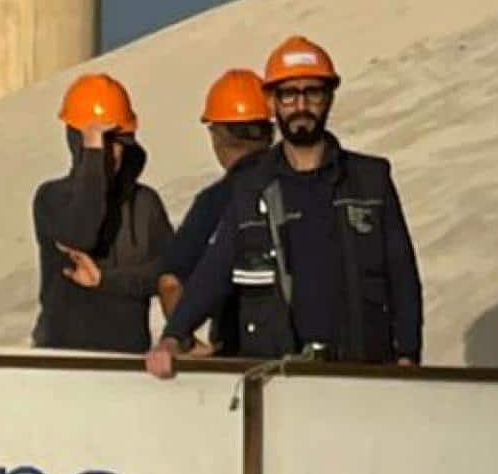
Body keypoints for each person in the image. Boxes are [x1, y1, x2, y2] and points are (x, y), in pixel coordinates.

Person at [147, 33, 422, 373]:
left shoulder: (370, 181)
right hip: (276, 380)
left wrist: (408, 355)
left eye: (313, 92)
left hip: (360, 373)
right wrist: (174, 337)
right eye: (289, 94)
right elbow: (214, 271)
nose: (301, 106)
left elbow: (402, 276)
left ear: (330, 97)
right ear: (272, 102)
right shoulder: (251, 187)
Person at [32, 73, 174, 353]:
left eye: (115, 142)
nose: (109, 153)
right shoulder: (51, 198)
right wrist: (93, 154)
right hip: (59, 366)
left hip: (126, 365)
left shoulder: (145, 204)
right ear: (76, 142)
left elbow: (169, 273)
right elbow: (81, 233)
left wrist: (106, 280)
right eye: (100, 142)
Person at [157, 69, 276, 354]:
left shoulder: (213, 202)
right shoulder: (299, 187)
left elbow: (171, 285)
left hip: (236, 353)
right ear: (269, 132)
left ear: (217, 136)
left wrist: (189, 344)